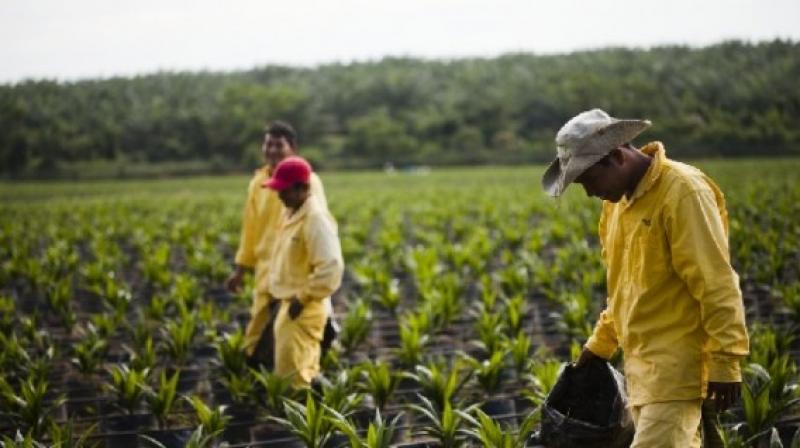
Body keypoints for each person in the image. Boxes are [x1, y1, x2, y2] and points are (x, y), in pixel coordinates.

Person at [541, 109, 749, 447]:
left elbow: (716, 284)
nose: (590, 193)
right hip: (641, 374)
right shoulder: (617, 206)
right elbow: (625, 287)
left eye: (589, 180)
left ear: (617, 157)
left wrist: (727, 363)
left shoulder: (682, 192)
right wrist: (600, 344)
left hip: (678, 371)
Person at [225, 121, 328, 364]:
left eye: (278, 145)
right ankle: (259, 378)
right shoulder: (258, 183)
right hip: (266, 268)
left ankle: (302, 380)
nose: (271, 150)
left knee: (298, 330)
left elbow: (317, 229)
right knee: (257, 329)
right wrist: (240, 270)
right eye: (268, 144)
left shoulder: (308, 182)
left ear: (292, 148)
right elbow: (250, 229)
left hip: (296, 270)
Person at [262, 156, 344, 388]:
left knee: (298, 375)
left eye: (284, 190)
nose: (279, 195)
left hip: (304, 307)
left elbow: (331, 266)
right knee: (291, 368)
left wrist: (303, 296)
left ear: (303, 188)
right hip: (291, 302)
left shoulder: (315, 219)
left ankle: (316, 418)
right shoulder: (291, 212)